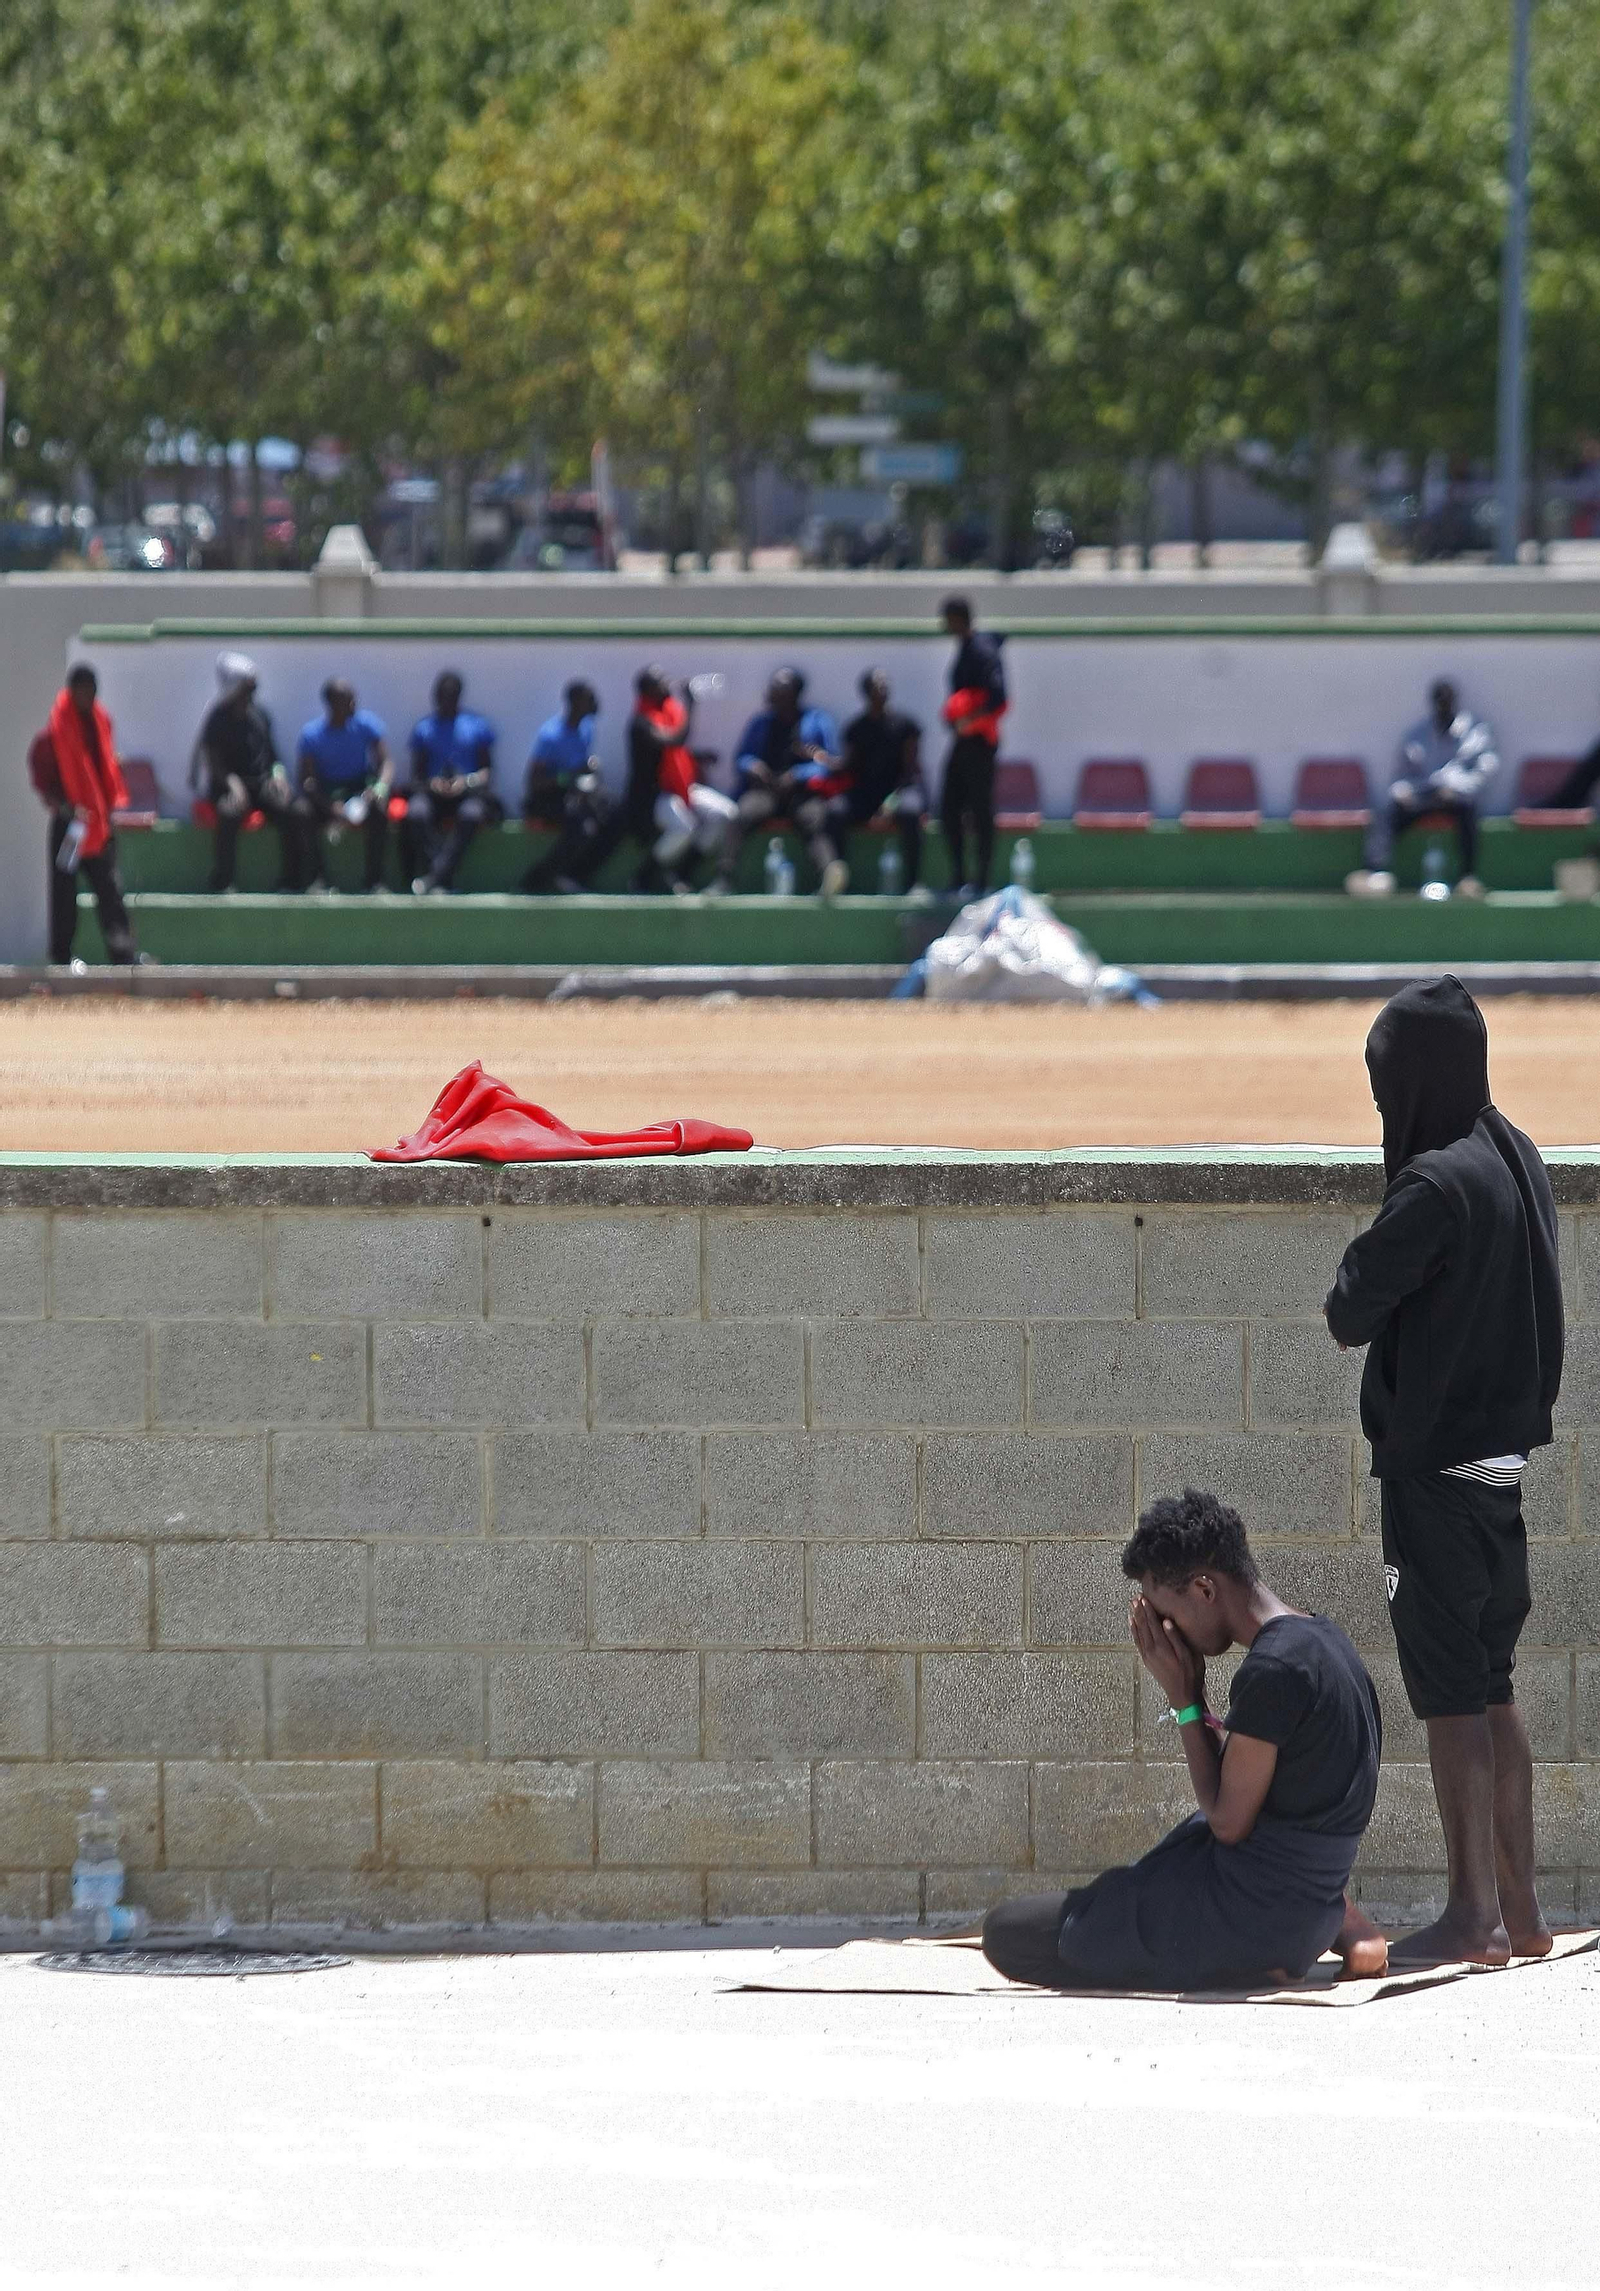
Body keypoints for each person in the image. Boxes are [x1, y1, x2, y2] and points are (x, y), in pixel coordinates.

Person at [1325, 977, 1563, 1968]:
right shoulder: (1514, 1151)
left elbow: (1348, 1306)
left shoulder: (1432, 1183)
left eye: (1387, 1091)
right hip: (1500, 1468)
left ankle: (1468, 1915)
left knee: (1451, 1697)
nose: (1387, 1111)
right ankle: (1519, 1911)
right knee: (1492, 1681)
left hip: (1433, 1470)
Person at [982, 1490, 1386, 1992]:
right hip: (1307, 1909)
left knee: (1011, 1931)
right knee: (1125, 1887)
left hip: (1248, 1918)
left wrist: (1185, 1698)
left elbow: (1228, 1823)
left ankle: (1240, 1961)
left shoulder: (1273, 1670)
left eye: (1167, 1612)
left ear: (1204, 1589)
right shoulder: (1326, 1638)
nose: (1168, 1631)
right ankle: (1338, 1928)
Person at [29, 664, 141, 967]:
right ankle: (61, 957)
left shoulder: (99, 722)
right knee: (64, 893)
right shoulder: (56, 731)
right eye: (80, 690)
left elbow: (104, 771)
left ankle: (124, 956)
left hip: (98, 826)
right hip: (70, 826)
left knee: (110, 890)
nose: (85, 696)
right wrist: (66, 806)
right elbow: (42, 776)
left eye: (90, 690)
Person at [1346, 680, 1497, 900]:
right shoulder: (1417, 734)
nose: (1443, 708)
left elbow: (1484, 770)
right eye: (1439, 703)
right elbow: (1402, 776)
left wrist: (1456, 789)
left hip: (1455, 796)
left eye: (1447, 702)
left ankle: (1468, 877)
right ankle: (1374, 873)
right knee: (1389, 812)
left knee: (1469, 809)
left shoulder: (1475, 732)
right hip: (1422, 796)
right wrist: (1404, 793)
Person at [710, 668, 846, 897]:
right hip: (766, 791)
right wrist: (753, 766)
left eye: (778, 687)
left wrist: (797, 775)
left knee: (814, 821)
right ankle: (723, 879)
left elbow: (828, 764)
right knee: (740, 815)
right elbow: (742, 757)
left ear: (794, 692)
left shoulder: (816, 720)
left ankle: (829, 877)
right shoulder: (761, 722)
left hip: (801, 792)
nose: (771, 692)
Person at [191, 652, 302, 892]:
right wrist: (233, 785)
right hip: (229, 785)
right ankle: (223, 881)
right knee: (228, 813)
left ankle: (292, 880)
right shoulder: (218, 719)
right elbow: (214, 762)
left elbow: (272, 756)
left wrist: (278, 775)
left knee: (290, 810)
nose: (252, 694)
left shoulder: (260, 716)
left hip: (260, 784)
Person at [827, 669, 927, 894]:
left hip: (900, 791)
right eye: (877, 685)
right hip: (866, 793)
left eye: (885, 684)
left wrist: (890, 804)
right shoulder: (856, 729)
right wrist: (822, 760)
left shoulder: (906, 725)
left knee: (911, 812)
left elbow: (910, 772)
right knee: (834, 811)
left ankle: (914, 883)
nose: (883, 689)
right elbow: (850, 768)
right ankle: (840, 881)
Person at [402, 671, 500, 894]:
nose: (444, 701)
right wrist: (434, 784)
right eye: (440, 696)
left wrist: (465, 782)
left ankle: (435, 877)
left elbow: (487, 772)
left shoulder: (477, 726)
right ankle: (441, 878)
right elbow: (416, 777)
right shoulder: (424, 729)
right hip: (433, 794)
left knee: (471, 815)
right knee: (416, 812)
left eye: (450, 696)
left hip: (468, 793)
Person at [293, 679, 393, 893]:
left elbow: (385, 763)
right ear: (332, 704)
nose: (353, 704)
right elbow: (306, 781)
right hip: (326, 792)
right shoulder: (312, 734)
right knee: (301, 812)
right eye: (348, 700)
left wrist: (379, 788)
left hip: (359, 788)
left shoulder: (366, 724)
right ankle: (316, 879)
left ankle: (374, 881)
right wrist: (330, 806)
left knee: (380, 811)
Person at [938, 595, 1008, 898]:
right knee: (950, 807)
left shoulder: (982, 650)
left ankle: (982, 878)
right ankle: (959, 874)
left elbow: (997, 697)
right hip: (962, 741)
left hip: (979, 742)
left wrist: (969, 720)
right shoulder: (966, 648)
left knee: (980, 810)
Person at [519, 680, 613, 895]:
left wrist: (589, 770)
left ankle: (577, 874)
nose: (594, 703)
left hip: (575, 793)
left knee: (612, 814)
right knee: (582, 826)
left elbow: (581, 764)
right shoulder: (551, 735)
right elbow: (534, 781)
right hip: (547, 798)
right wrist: (567, 778)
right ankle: (537, 879)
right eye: (589, 699)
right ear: (575, 702)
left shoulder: (587, 727)